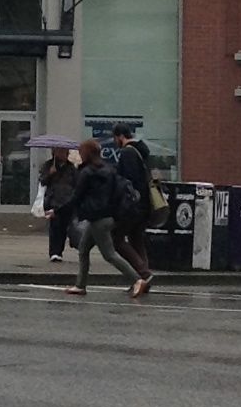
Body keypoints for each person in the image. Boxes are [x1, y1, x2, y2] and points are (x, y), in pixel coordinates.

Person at [62, 138, 151, 300]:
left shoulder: (87, 173)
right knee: (83, 249)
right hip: (108, 217)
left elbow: (77, 196)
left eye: (81, 153)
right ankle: (80, 285)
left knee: (109, 254)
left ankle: (137, 280)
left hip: (98, 220)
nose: (79, 156)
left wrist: (57, 211)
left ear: (87, 154)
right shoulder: (109, 170)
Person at [110, 124, 157, 283]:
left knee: (117, 239)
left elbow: (128, 181)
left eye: (115, 138)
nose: (115, 141)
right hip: (145, 203)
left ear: (120, 136)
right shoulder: (141, 151)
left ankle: (144, 273)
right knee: (136, 239)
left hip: (133, 205)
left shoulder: (127, 153)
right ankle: (144, 279)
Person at [39, 150, 79, 262]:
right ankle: (54, 252)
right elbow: (42, 181)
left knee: (65, 226)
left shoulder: (71, 168)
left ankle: (60, 249)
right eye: (60, 152)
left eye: (65, 152)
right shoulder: (49, 165)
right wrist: (50, 174)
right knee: (55, 226)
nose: (63, 155)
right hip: (54, 199)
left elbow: (76, 183)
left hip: (67, 200)